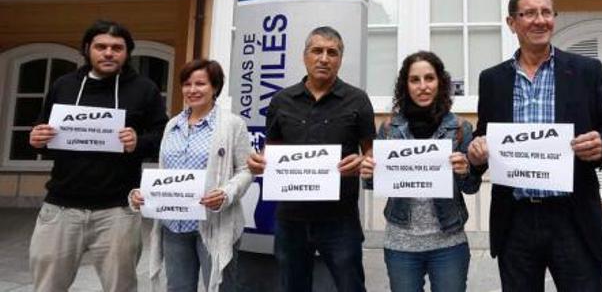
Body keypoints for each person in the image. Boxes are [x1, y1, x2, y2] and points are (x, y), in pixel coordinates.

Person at [467, 0, 602, 291]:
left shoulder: (586, 70)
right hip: (516, 219)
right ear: (512, 23)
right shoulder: (492, 79)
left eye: (546, 12)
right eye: (529, 13)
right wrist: (475, 150)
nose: (540, 20)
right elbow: (484, 135)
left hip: (572, 216)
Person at [27, 19, 167, 292]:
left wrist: (138, 142)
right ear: (87, 49)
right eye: (101, 46)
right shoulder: (64, 85)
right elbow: (43, 132)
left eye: (117, 47)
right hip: (60, 208)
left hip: (118, 210)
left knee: (121, 287)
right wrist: (36, 139)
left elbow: (163, 136)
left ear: (127, 53)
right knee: (47, 286)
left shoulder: (144, 89)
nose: (109, 53)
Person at [247, 26, 375, 292]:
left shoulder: (358, 100)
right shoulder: (281, 101)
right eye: (317, 51)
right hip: (291, 219)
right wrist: (259, 163)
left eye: (332, 52)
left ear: (340, 59)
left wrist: (363, 163)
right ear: (305, 56)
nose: (324, 58)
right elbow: (271, 153)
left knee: (351, 286)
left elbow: (371, 154)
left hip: (340, 219)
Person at [360, 51, 481, 292]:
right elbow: (375, 184)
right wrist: (368, 172)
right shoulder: (388, 128)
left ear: (440, 82)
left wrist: (466, 170)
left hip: (449, 242)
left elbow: (471, 187)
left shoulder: (460, 128)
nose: (423, 86)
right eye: (415, 80)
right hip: (401, 243)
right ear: (405, 85)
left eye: (429, 78)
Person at [129, 59, 253, 291]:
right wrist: (144, 194)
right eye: (187, 84)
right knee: (178, 288)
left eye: (200, 84)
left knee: (221, 287)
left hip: (214, 224)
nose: (192, 90)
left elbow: (246, 169)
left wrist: (226, 194)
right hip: (174, 226)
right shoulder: (172, 125)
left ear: (215, 87)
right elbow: (166, 172)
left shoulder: (233, 124)